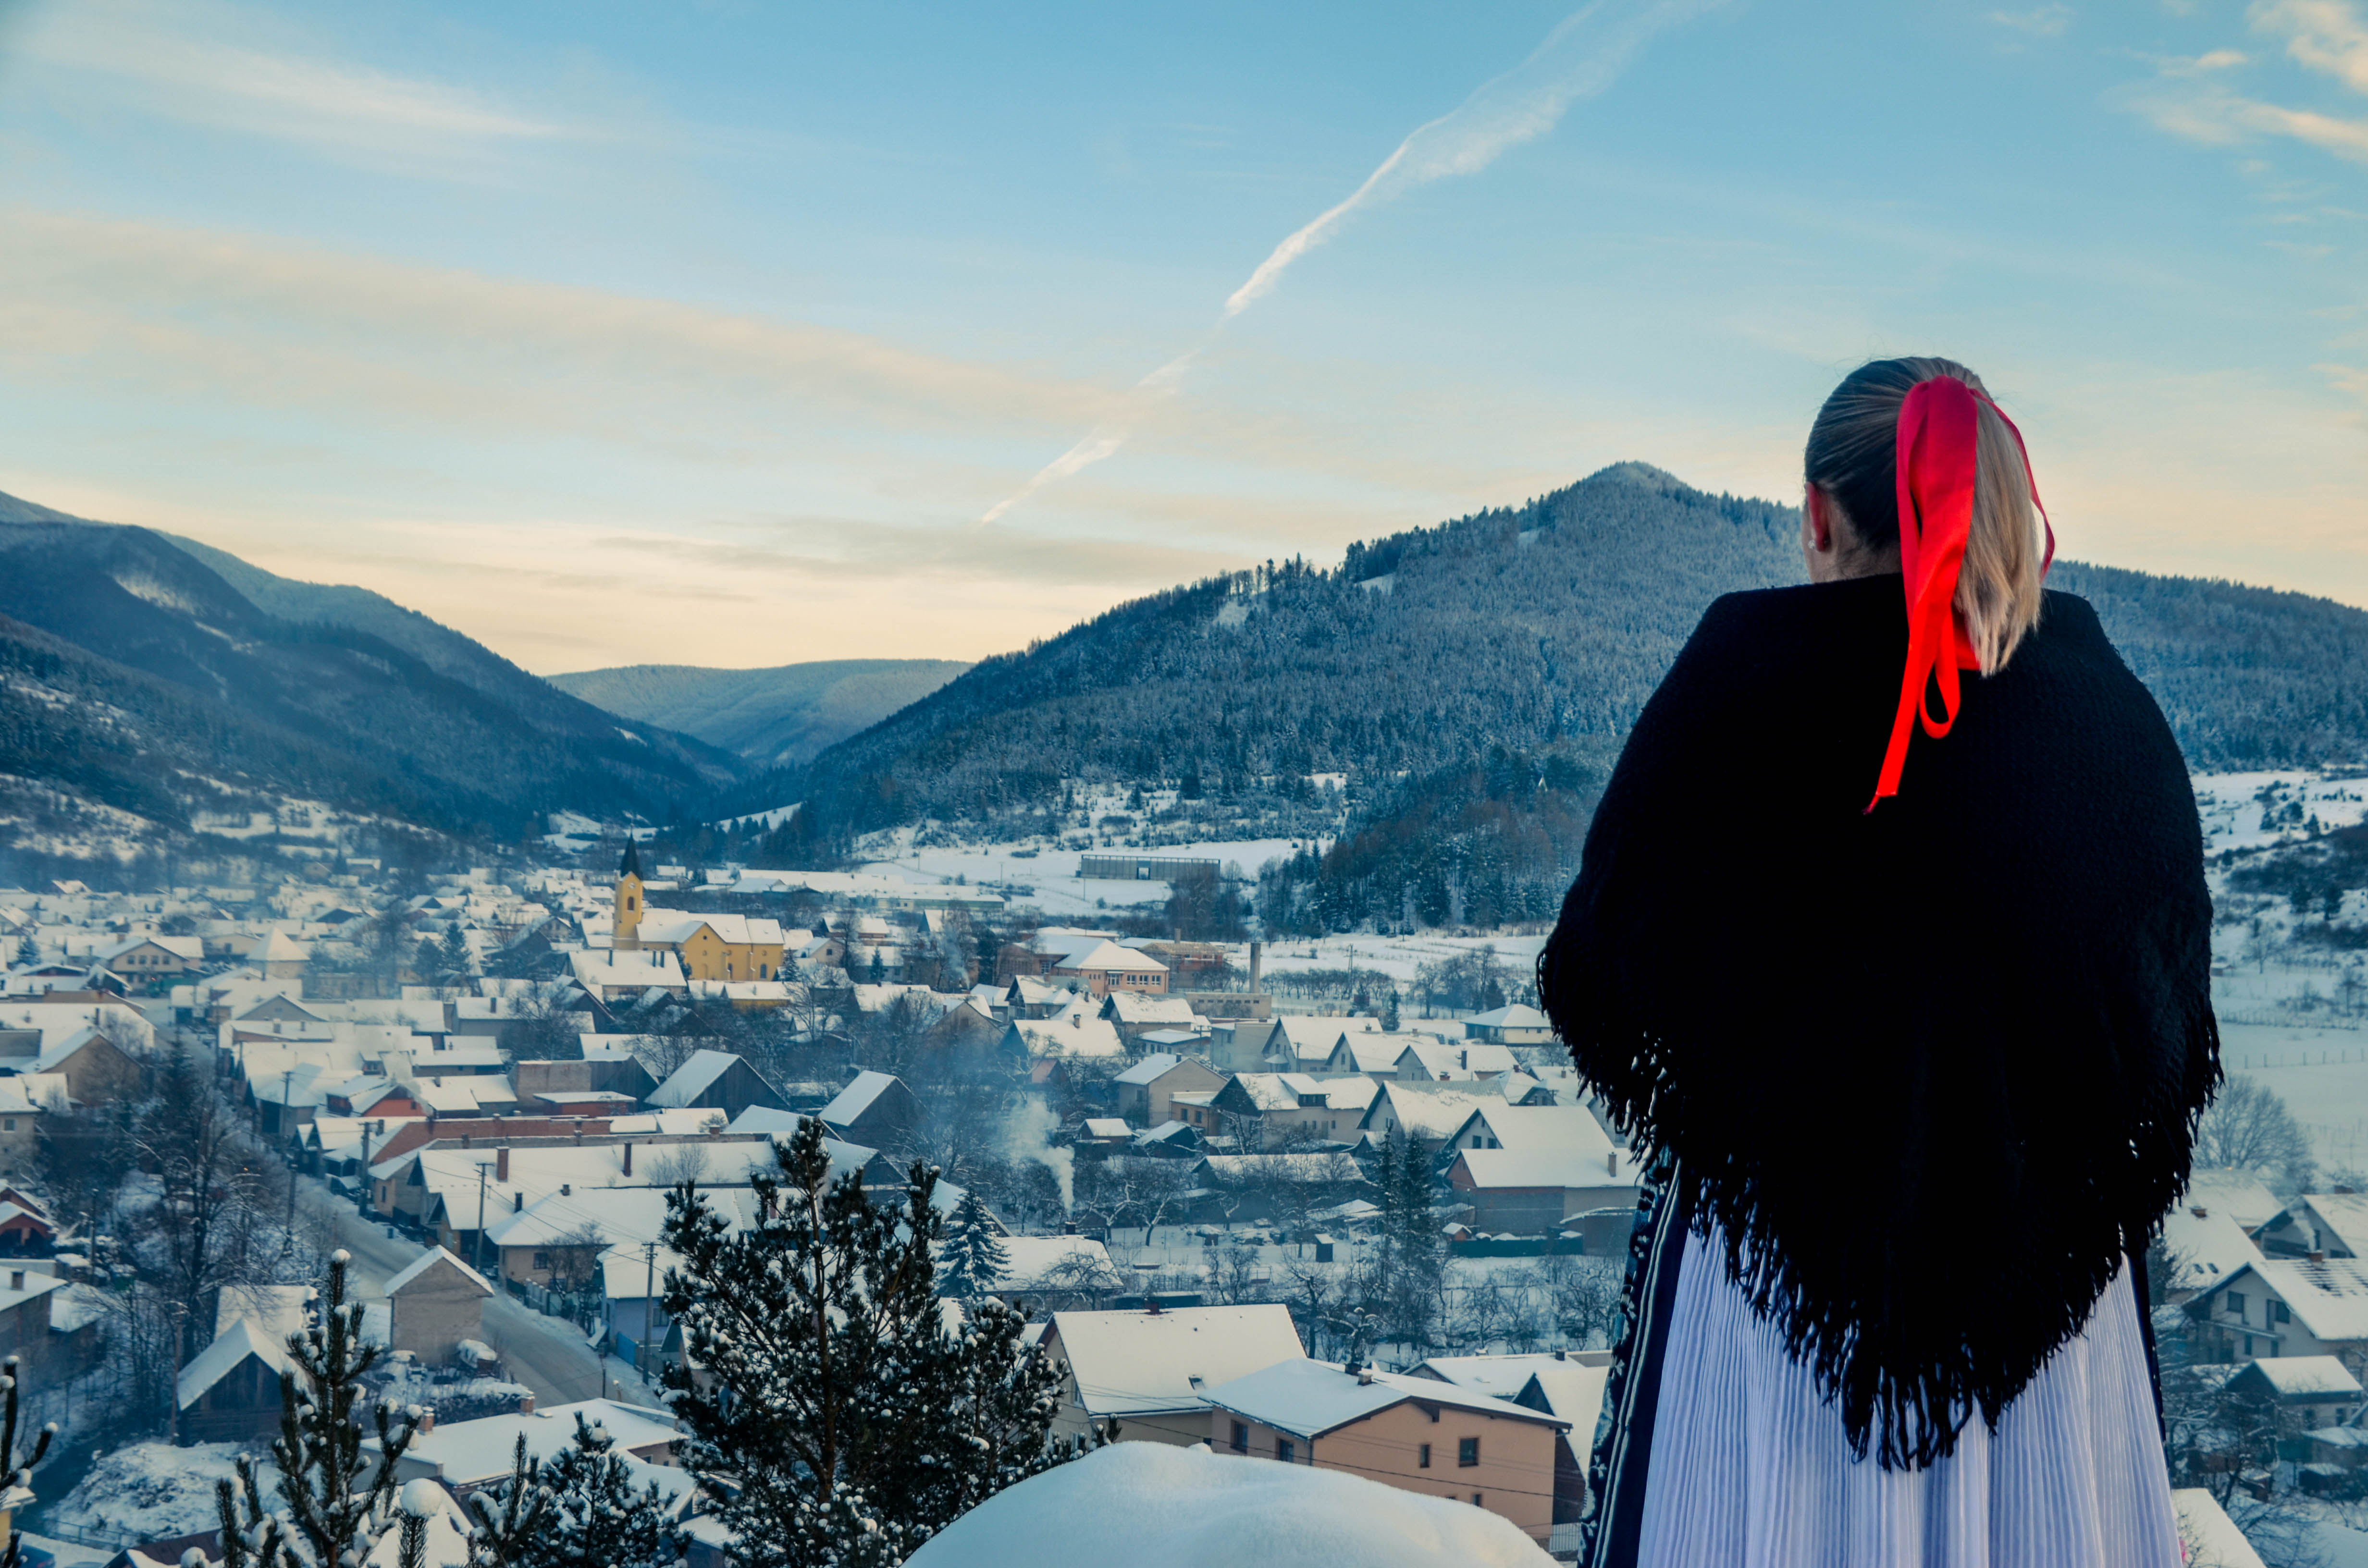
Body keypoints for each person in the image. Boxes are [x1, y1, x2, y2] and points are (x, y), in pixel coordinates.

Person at [1539, 356, 2217, 1567]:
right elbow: (2156, 1015)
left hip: (1775, 1286)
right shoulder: (2110, 715)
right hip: (2048, 1312)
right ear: (2007, 500)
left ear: (1817, 514)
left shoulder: (1736, 686)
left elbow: (1612, 958)